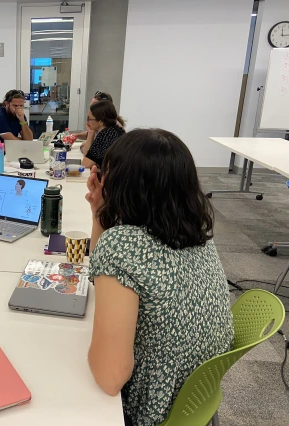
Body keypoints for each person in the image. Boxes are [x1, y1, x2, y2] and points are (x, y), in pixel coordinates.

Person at [85, 129, 234, 426]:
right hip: (191, 401)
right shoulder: (198, 236)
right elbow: (101, 278)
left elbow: (110, 377)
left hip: (147, 410)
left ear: (125, 186)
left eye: (106, 174)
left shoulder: (124, 244)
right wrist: (100, 215)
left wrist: (106, 221)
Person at [81, 100, 126, 169]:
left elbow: (86, 164)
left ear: (101, 122)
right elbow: (87, 156)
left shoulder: (106, 135)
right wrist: (90, 133)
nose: (87, 122)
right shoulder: (115, 130)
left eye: (89, 119)